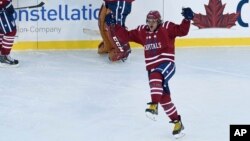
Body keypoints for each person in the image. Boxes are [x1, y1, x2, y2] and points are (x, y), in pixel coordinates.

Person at [106, 7, 194, 137]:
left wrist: (187, 19)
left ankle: (153, 105)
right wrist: (114, 26)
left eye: (154, 21)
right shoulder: (142, 31)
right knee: (164, 99)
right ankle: (177, 123)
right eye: (149, 21)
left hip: (166, 64)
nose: (151, 23)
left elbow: (182, 31)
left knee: (155, 75)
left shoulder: (167, 27)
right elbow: (126, 36)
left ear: (159, 21)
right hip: (152, 69)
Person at [0, 0, 18, 67]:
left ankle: (1, 56)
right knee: (10, 32)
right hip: (3, 12)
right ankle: (3, 57)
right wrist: (6, 4)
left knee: (1, 32)